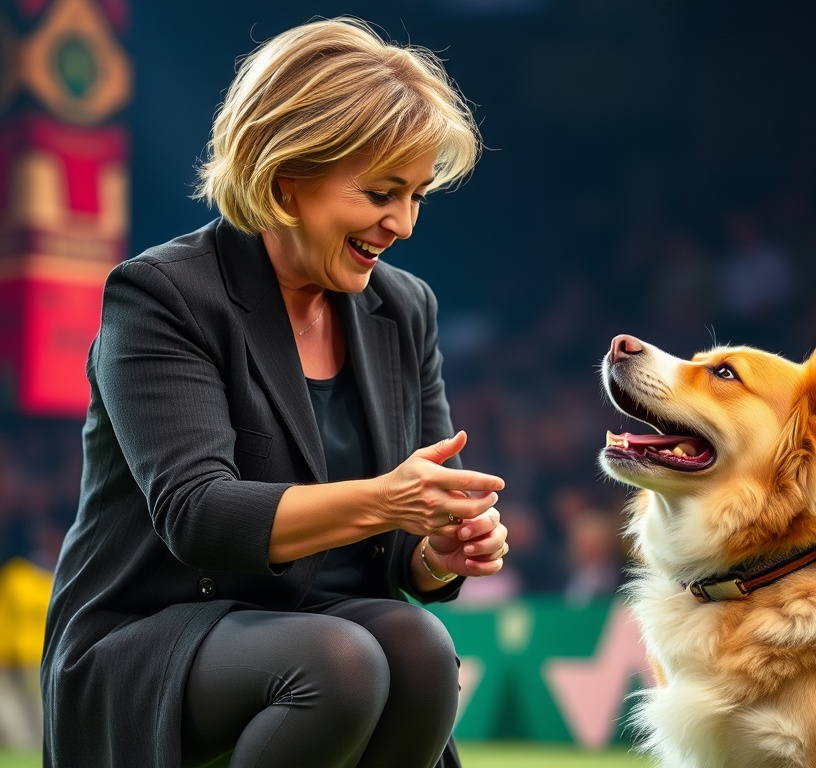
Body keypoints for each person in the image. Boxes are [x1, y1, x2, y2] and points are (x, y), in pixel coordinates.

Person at [40, 17, 509, 768]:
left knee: (419, 645)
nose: (404, 224)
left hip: (320, 626)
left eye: (417, 195)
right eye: (382, 193)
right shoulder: (162, 293)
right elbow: (199, 516)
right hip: (150, 638)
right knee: (337, 664)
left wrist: (438, 551)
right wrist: (390, 499)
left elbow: (398, 557)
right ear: (286, 176)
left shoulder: (405, 306)